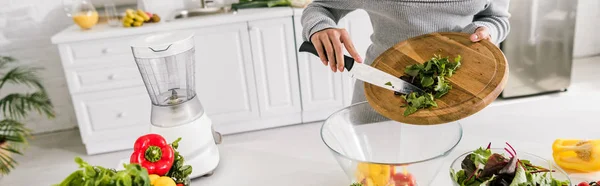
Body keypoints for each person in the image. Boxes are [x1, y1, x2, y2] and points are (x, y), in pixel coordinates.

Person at [301, 0, 510, 104]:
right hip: (383, 89)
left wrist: (484, 31)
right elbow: (320, 7)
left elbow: (497, 18)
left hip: (457, 93)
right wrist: (320, 26)